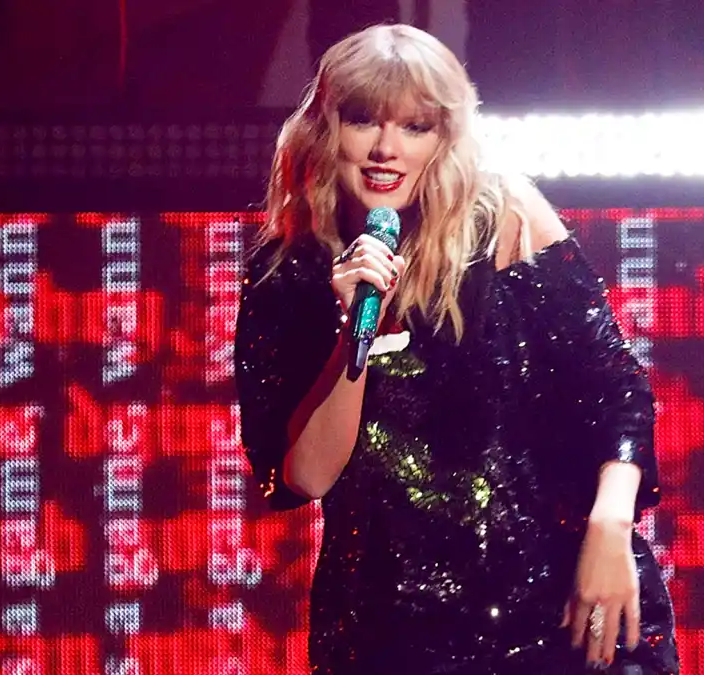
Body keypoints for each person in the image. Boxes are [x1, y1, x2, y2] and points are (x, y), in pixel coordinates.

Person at [234, 24, 680, 675]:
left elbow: (613, 388)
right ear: (327, 127)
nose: (387, 148)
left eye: (415, 127)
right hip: (391, 628)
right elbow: (305, 475)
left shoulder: (504, 218)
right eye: (363, 121)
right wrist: (354, 330)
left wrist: (610, 526)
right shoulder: (287, 273)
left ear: (444, 138)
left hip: (556, 605)